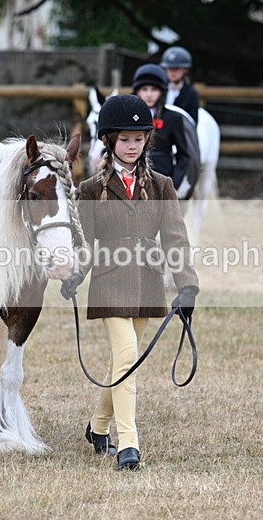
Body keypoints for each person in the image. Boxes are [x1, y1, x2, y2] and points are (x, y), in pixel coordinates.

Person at [60, 94, 200, 469]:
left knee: (126, 360)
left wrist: (187, 286)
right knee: (125, 357)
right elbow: (84, 243)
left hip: (147, 281)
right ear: (109, 141)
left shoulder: (162, 185)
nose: (133, 145)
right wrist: (75, 275)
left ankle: (98, 427)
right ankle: (128, 444)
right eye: (125, 139)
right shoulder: (90, 189)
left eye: (139, 138)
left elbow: (175, 238)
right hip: (109, 282)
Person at [131, 63, 201, 200]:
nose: (149, 94)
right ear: (137, 92)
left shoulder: (173, 118)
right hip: (133, 179)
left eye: (154, 90)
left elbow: (184, 155)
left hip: (162, 179)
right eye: (144, 89)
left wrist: (174, 184)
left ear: (162, 92)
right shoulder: (128, 116)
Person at [161, 45, 200, 124]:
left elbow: (193, 122)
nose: (172, 72)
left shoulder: (191, 94)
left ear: (185, 70)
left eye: (176, 68)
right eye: (169, 68)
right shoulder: (160, 89)